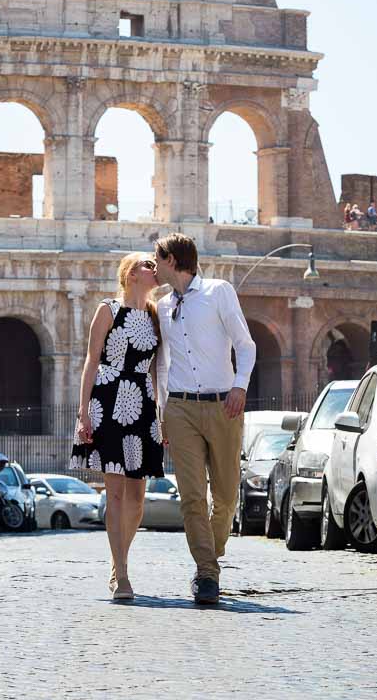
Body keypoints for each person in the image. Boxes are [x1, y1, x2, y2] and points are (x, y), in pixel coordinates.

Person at [154, 233, 256, 605]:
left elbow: (246, 345)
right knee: (192, 496)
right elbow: (163, 365)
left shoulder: (219, 292)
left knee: (226, 494)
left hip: (222, 405)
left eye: (158, 259)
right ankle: (207, 573)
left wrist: (240, 387)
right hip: (180, 408)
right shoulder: (163, 306)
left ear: (174, 260)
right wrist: (162, 410)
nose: (154, 265)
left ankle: (209, 555)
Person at [70, 252, 163, 601]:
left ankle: (117, 560)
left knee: (138, 498)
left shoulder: (156, 315)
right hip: (108, 398)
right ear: (130, 273)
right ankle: (121, 573)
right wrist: (83, 411)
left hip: (142, 401)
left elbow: (157, 369)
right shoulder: (107, 309)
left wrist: (161, 414)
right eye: (147, 264)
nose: (154, 269)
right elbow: (91, 361)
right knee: (116, 492)